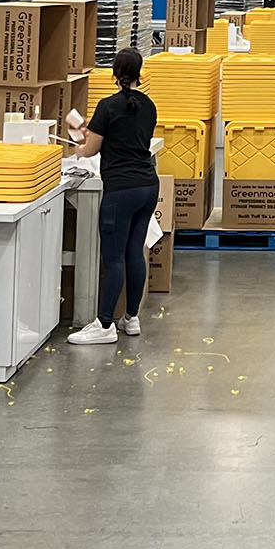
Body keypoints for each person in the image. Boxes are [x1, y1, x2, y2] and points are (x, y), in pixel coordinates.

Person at [66, 47, 161, 346]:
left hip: (121, 189)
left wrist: (77, 144)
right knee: (135, 250)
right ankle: (131, 318)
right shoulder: (149, 106)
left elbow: (91, 149)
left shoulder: (107, 106)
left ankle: (105, 323)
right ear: (140, 74)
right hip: (148, 185)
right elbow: (130, 136)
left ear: (113, 74)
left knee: (114, 256)